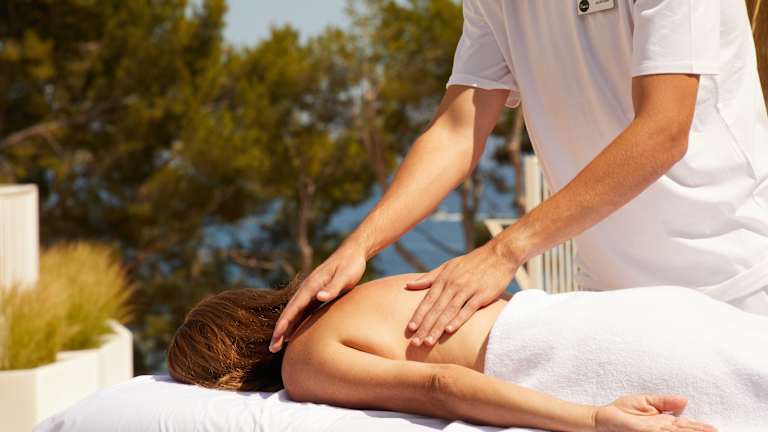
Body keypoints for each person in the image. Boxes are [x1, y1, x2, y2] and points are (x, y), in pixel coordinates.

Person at [268, 0, 768, 354]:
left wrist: (503, 252)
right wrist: (360, 244)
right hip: (612, 299)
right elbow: (457, 129)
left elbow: (662, 131)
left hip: (737, 288)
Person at [168, 274, 768, 431]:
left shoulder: (306, 362)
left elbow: (442, 387)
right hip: (632, 310)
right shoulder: (359, 292)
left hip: (576, 355)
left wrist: (593, 419)